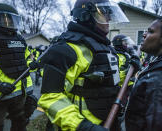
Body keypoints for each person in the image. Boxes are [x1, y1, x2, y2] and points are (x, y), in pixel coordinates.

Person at [38, 0, 132, 130]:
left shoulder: (107, 48)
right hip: (81, 126)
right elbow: (50, 97)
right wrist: (83, 126)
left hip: (109, 121)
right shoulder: (66, 49)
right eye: (104, 13)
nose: (109, 18)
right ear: (86, 15)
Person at [0, 3, 37, 131]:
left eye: (12, 19)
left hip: (18, 93)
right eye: (5, 19)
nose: (9, 23)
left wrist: (33, 65)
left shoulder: (20, 39)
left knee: (20, 123)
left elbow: (25, 63)